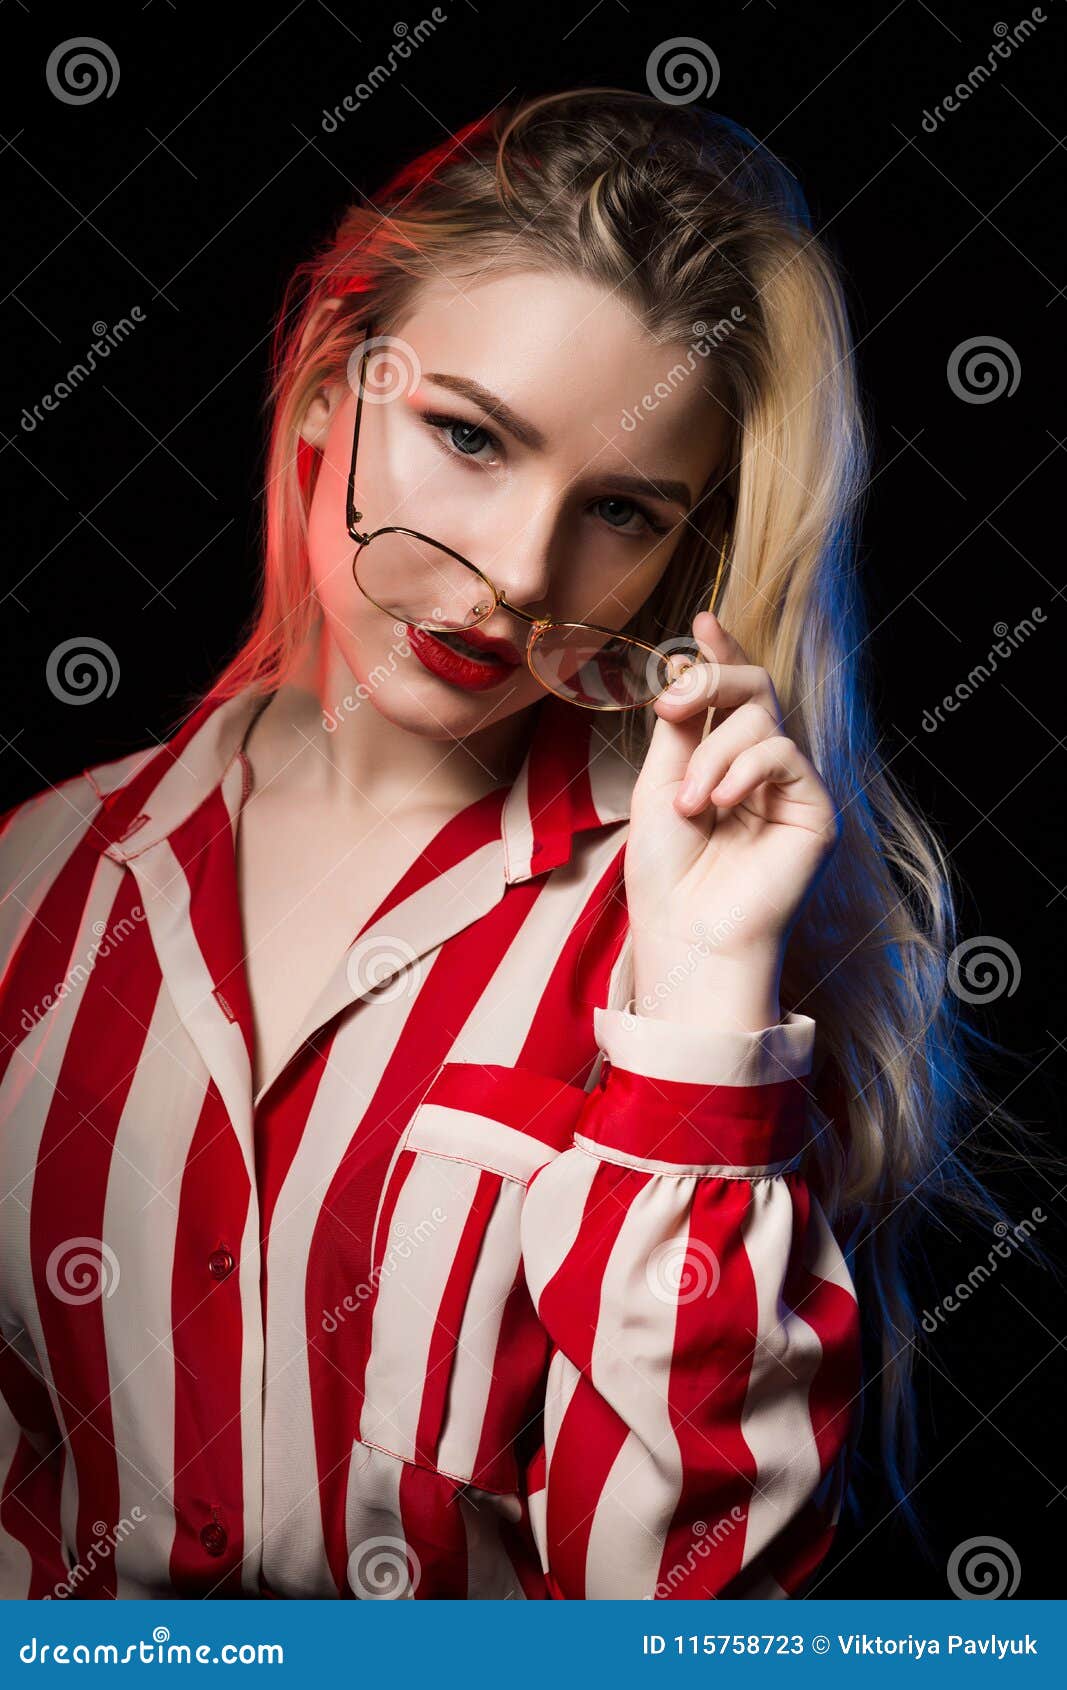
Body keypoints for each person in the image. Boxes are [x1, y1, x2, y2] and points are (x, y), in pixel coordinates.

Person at [0, 88, 992, 1600]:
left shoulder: (678, 938)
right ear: (333, 383)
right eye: (469, 435)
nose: (521, 576)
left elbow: (681, 1605)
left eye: (620, 509)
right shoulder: (39, 882)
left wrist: (709, 987)